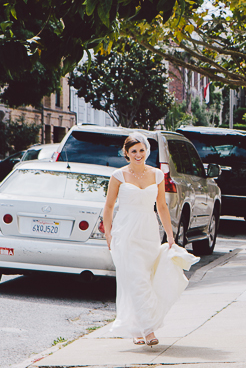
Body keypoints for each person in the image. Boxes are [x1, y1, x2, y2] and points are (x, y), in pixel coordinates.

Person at [103, 132, 199, 347]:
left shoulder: (157, 175)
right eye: (133, 151)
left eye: (141, 150)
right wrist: (108, 235)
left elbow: (162, 207)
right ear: (126, 153)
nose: (138, 154)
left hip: (148, 232)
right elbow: (108, 207)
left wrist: (171, 236)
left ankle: (135, 328)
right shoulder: (118, 176)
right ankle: (148, 330)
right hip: (125, 232)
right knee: (136, 279)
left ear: (147, 151)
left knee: (144, 279)